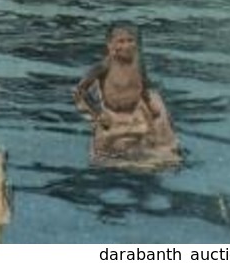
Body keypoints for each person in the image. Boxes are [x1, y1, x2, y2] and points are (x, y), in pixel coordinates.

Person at [74, 24, 180, 168]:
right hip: (112, 115)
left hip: (135, 112)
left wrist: (149, 103)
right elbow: (81, 90)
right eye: (121, 41)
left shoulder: (138, 64)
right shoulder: (104, 66)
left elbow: (143, 84)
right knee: (108, 154)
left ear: (137, 44)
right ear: (110, 45)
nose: (127, 46)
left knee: (161, 151)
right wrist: (98, 113)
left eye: (130, 40)